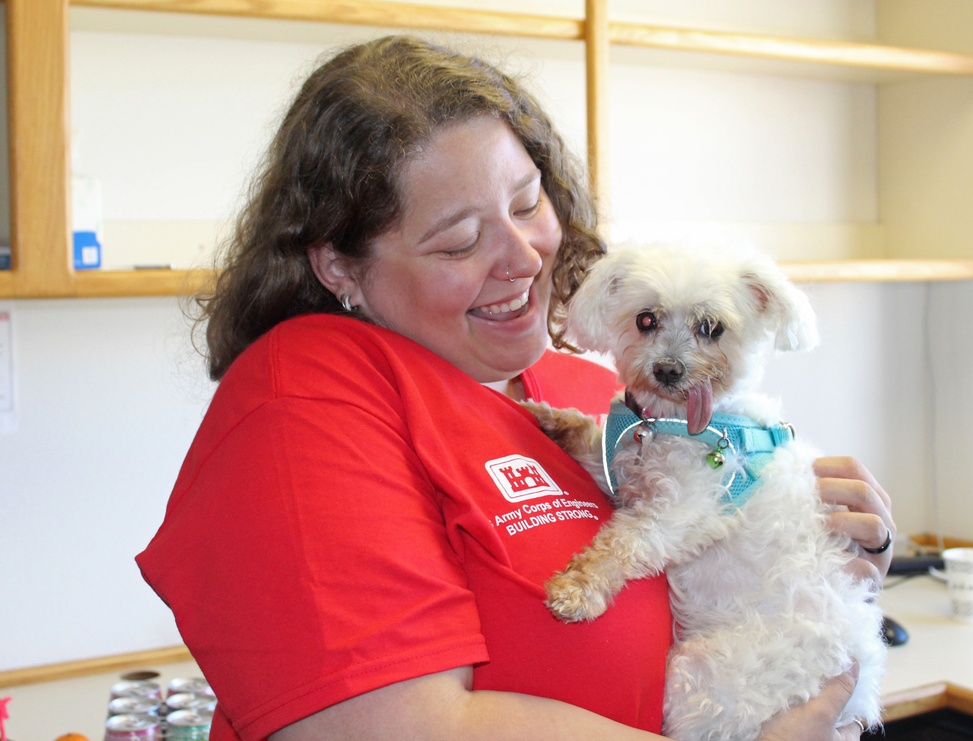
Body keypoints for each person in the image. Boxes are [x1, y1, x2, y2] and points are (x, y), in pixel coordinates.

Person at [137, 35, 896, 741]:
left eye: (529, 202)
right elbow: (407, 726)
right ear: (340, 266)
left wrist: (831, 568)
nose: (523, 256)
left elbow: (701, 578)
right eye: (460, 241)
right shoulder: (303, 404)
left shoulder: (586, 389)